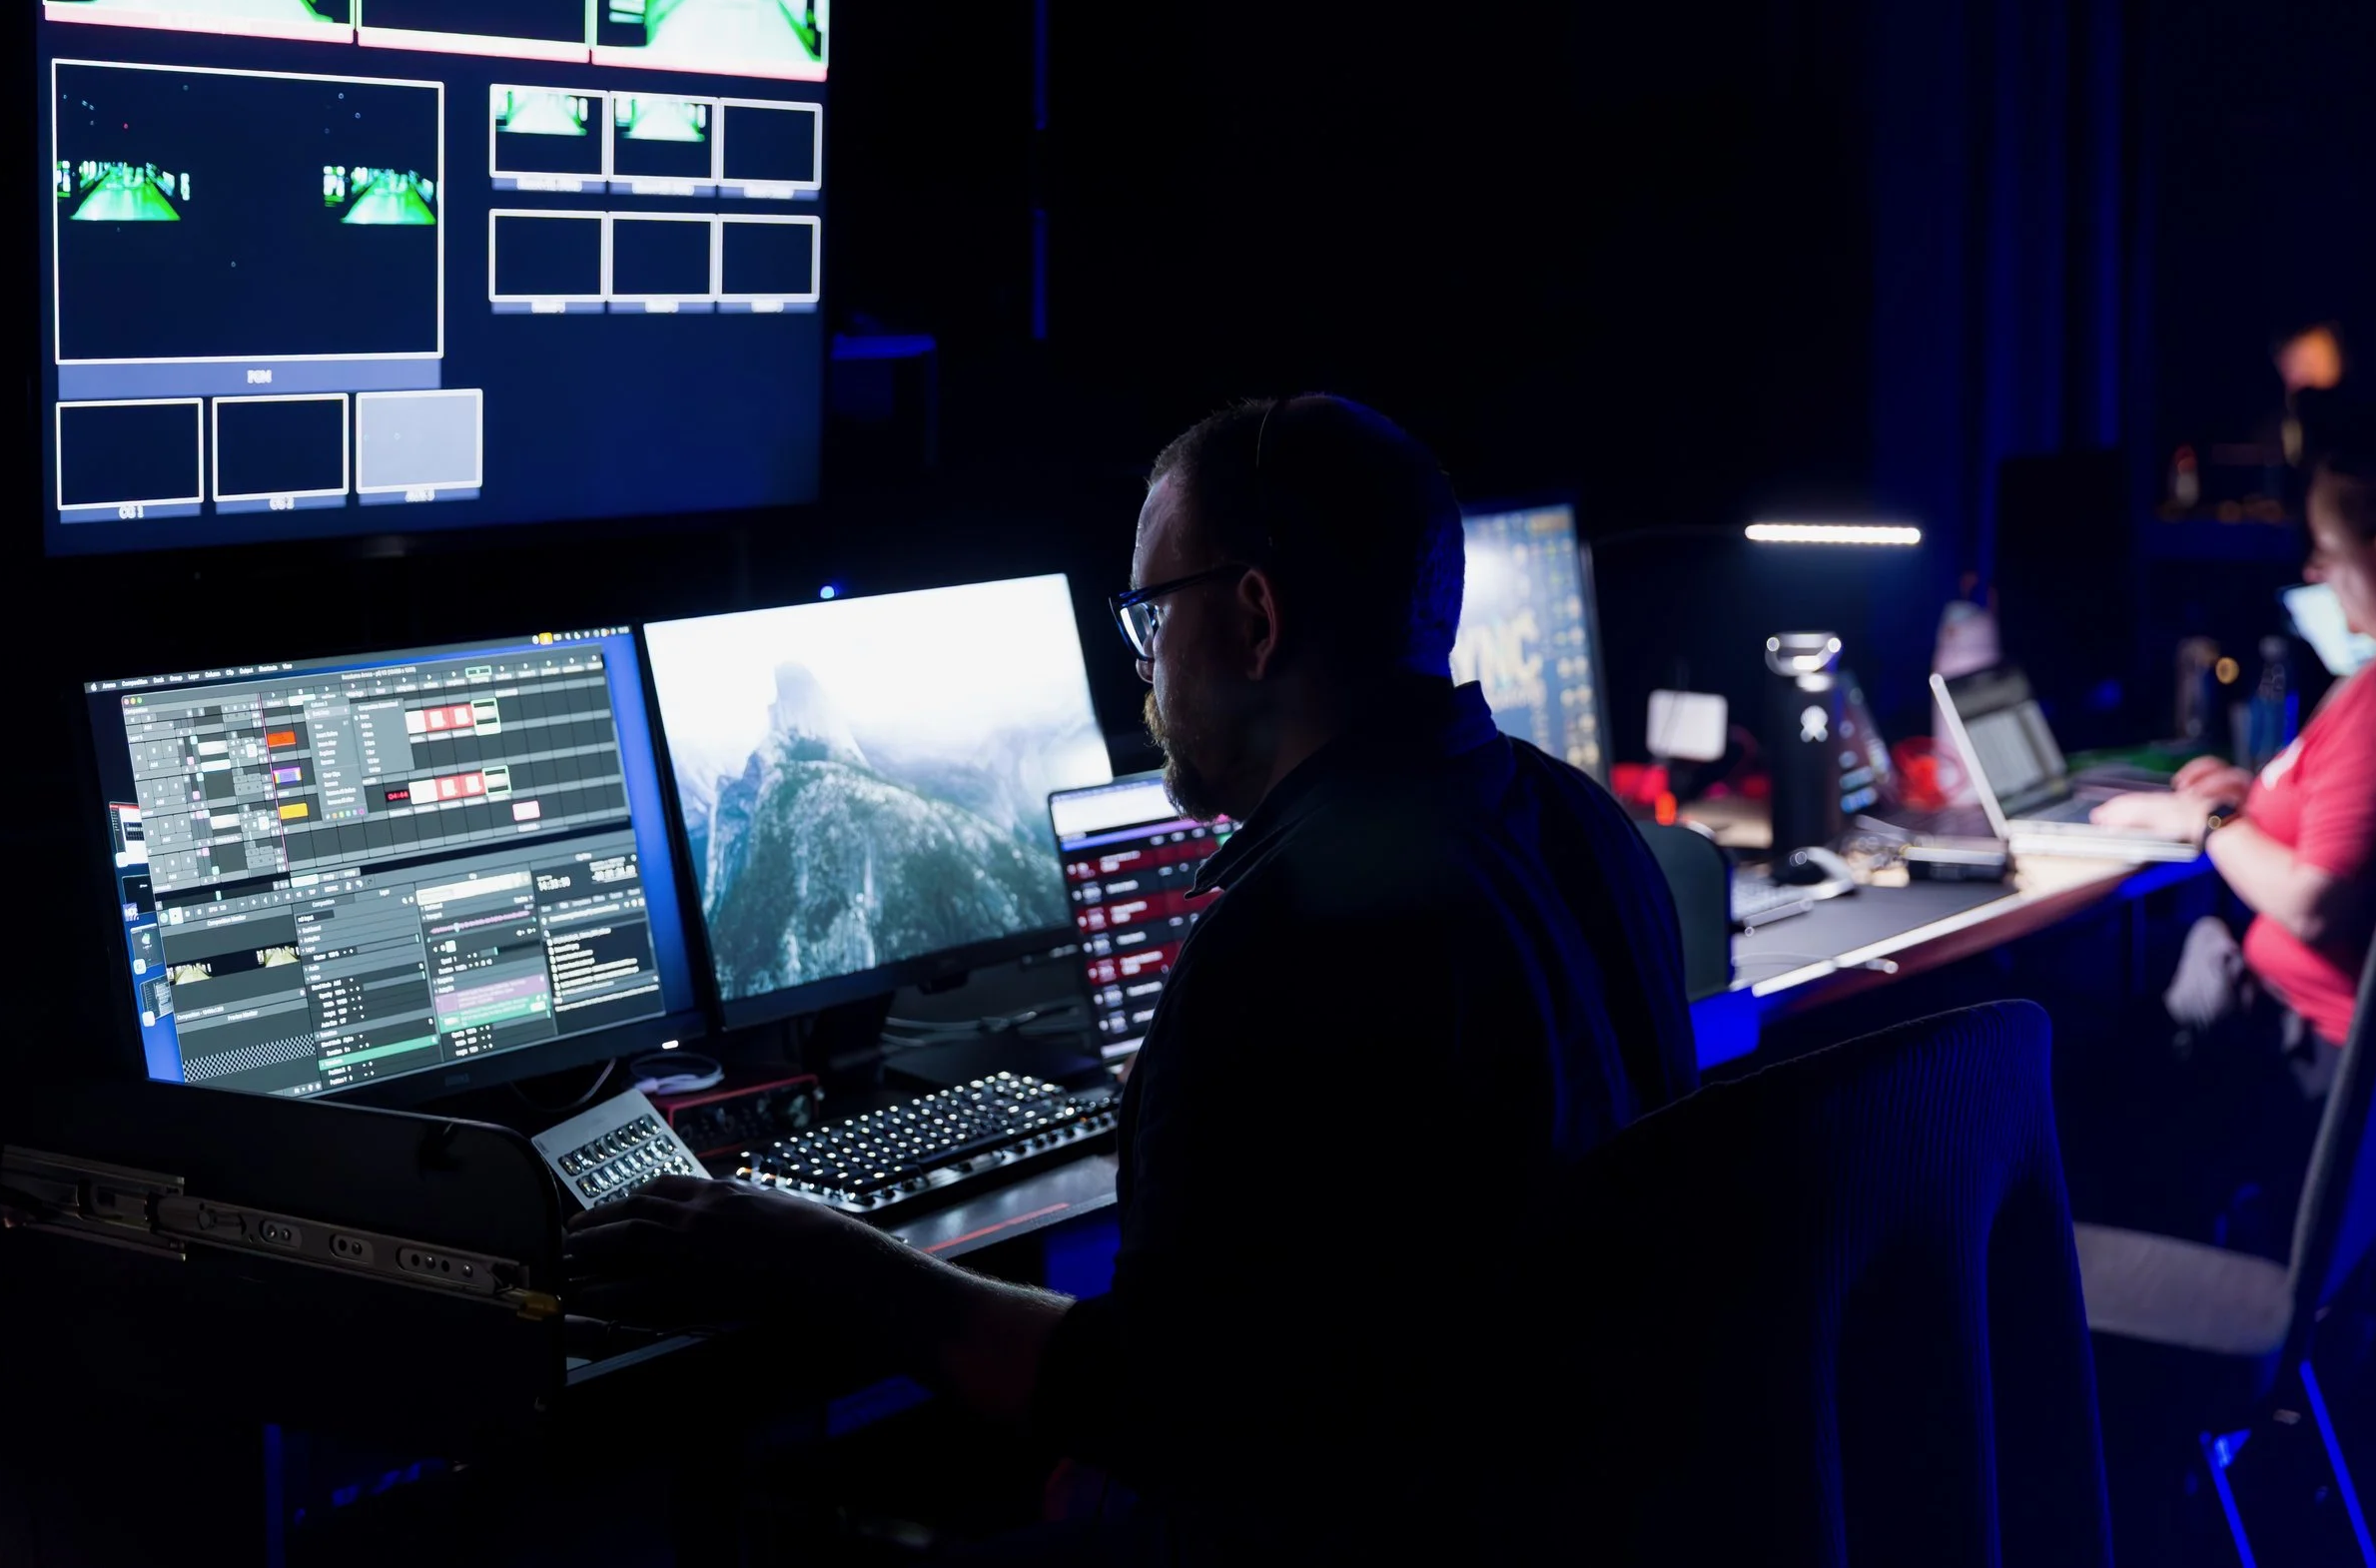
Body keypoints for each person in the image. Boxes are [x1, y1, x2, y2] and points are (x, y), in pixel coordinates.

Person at [567, 394, 1699, 1558]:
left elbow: (1150, 1406)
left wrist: (819, 1250)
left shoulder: (1289, 939)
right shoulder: (1583, 824)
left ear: (1255, 620)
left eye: (1152, 614)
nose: (1145, 668)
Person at [2091, 436, 2376, 1137]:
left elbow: (2313, 908)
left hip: (2327, 1068)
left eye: (2327, 551)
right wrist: (2260, 798)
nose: (2314, 570)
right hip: (2344, 1054)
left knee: (2079, 1061)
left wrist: (2206, 821)